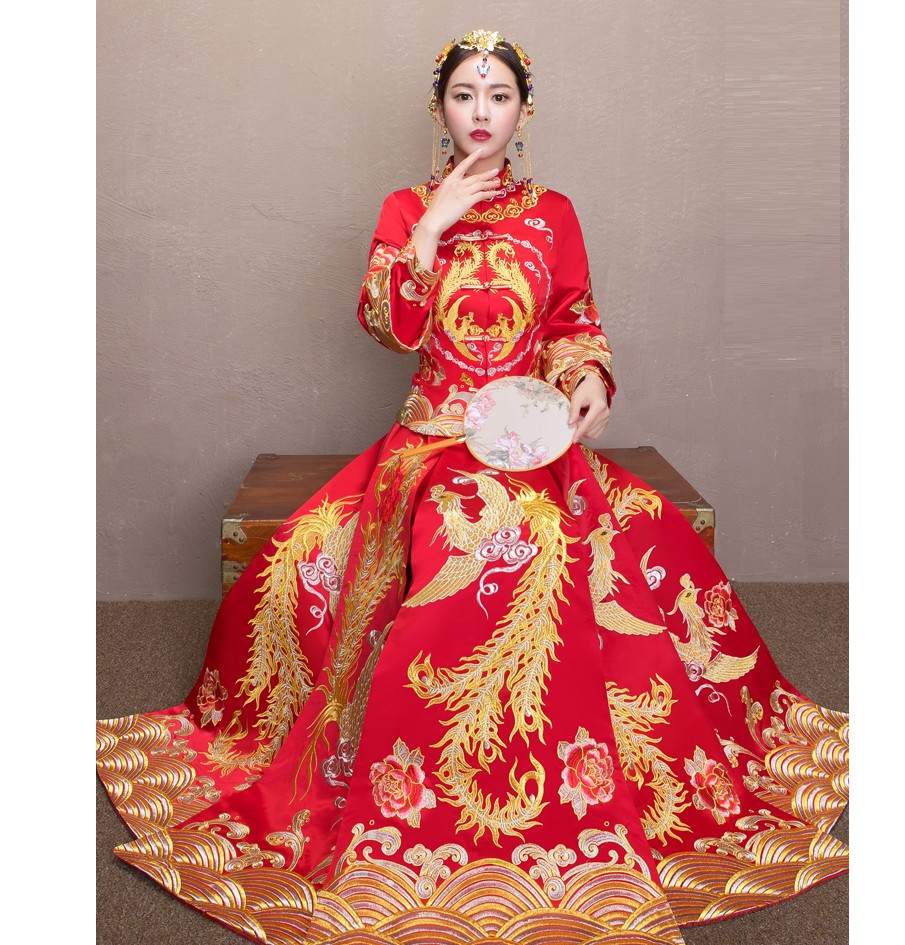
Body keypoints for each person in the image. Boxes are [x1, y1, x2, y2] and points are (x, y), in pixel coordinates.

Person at [96, 30, 849, 945]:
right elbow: (389, 327)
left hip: (529, 439)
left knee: (598, 539)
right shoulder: (405, 205)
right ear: (440, 108)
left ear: (524, 112)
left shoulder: (554, 212)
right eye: (463, 95)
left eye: (498, 96)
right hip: (431, 439)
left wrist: (587, 380)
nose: (480, 112)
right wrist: (430, 226)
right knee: (329, 559)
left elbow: (571, 320)